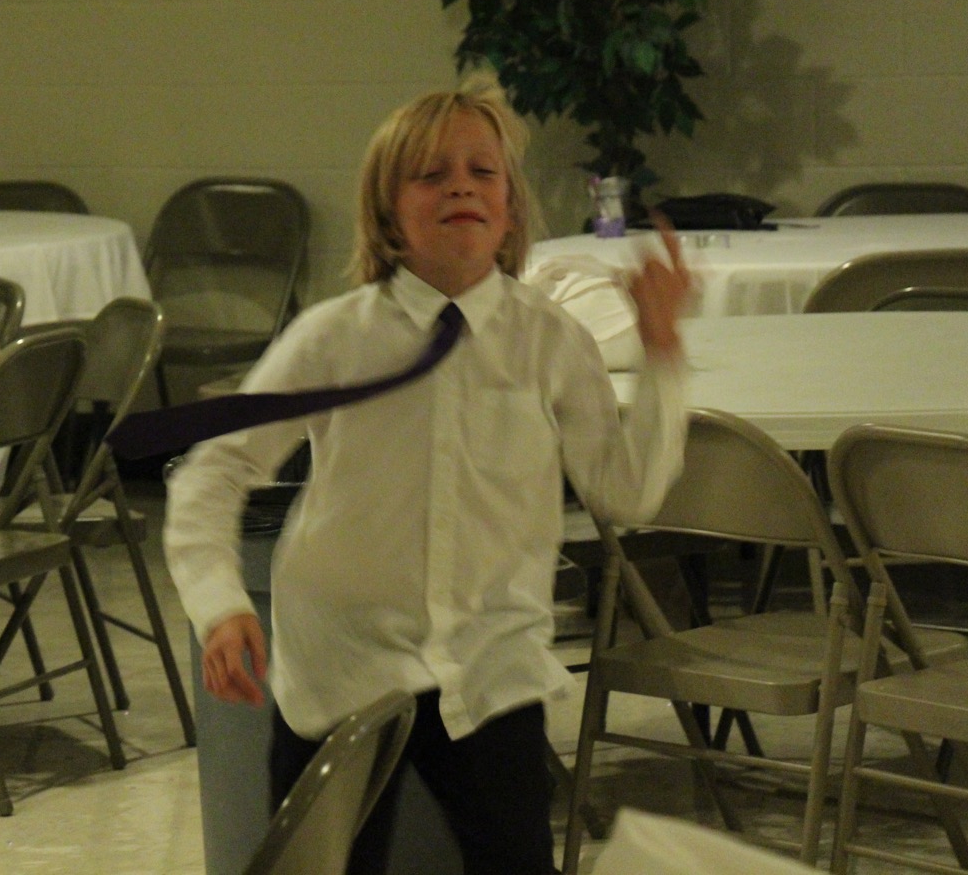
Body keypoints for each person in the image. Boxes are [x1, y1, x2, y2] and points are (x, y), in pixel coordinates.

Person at [164, 78, 693, 874]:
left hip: (489, 664)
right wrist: (220, 603)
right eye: (431, 174)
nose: (461, 187)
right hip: (343, 661)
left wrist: (662, 354)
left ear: (509, 209)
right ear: (388, 213)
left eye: (483, 172)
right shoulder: (334, 338)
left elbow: (627, 492)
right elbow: (217, 468)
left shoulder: (550, 340)